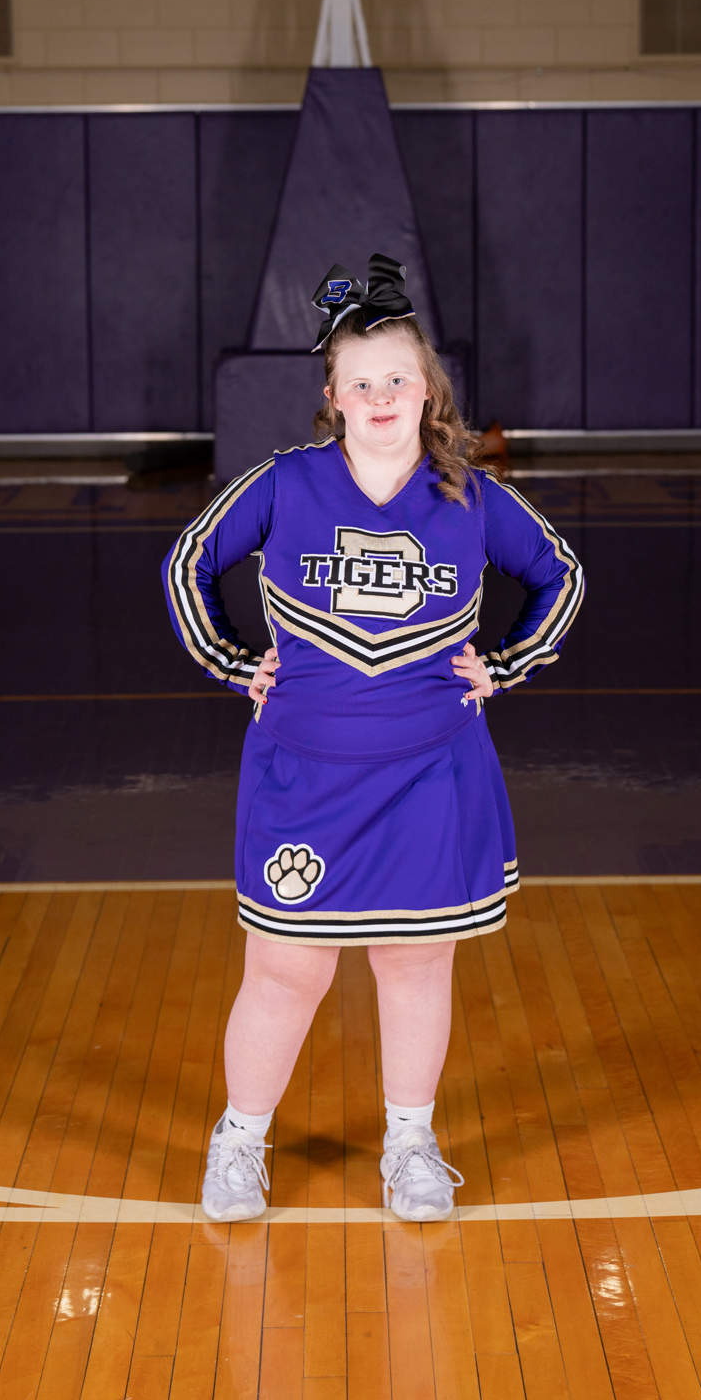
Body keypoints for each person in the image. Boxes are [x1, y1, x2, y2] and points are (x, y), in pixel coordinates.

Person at [162, 253, 583, 1223]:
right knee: (285, 968)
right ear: (332, 397)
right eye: (360, 382)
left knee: (414, 960)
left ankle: (411, 1143)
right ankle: (239, 1141)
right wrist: (230, 661)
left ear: (428, 388)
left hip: (431, 769)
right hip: (302, 772)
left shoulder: (471, 495)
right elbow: (188, 562)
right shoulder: (283, 484)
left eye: (398, 377)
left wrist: (506, 664)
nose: (381, 396)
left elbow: (560, 575)